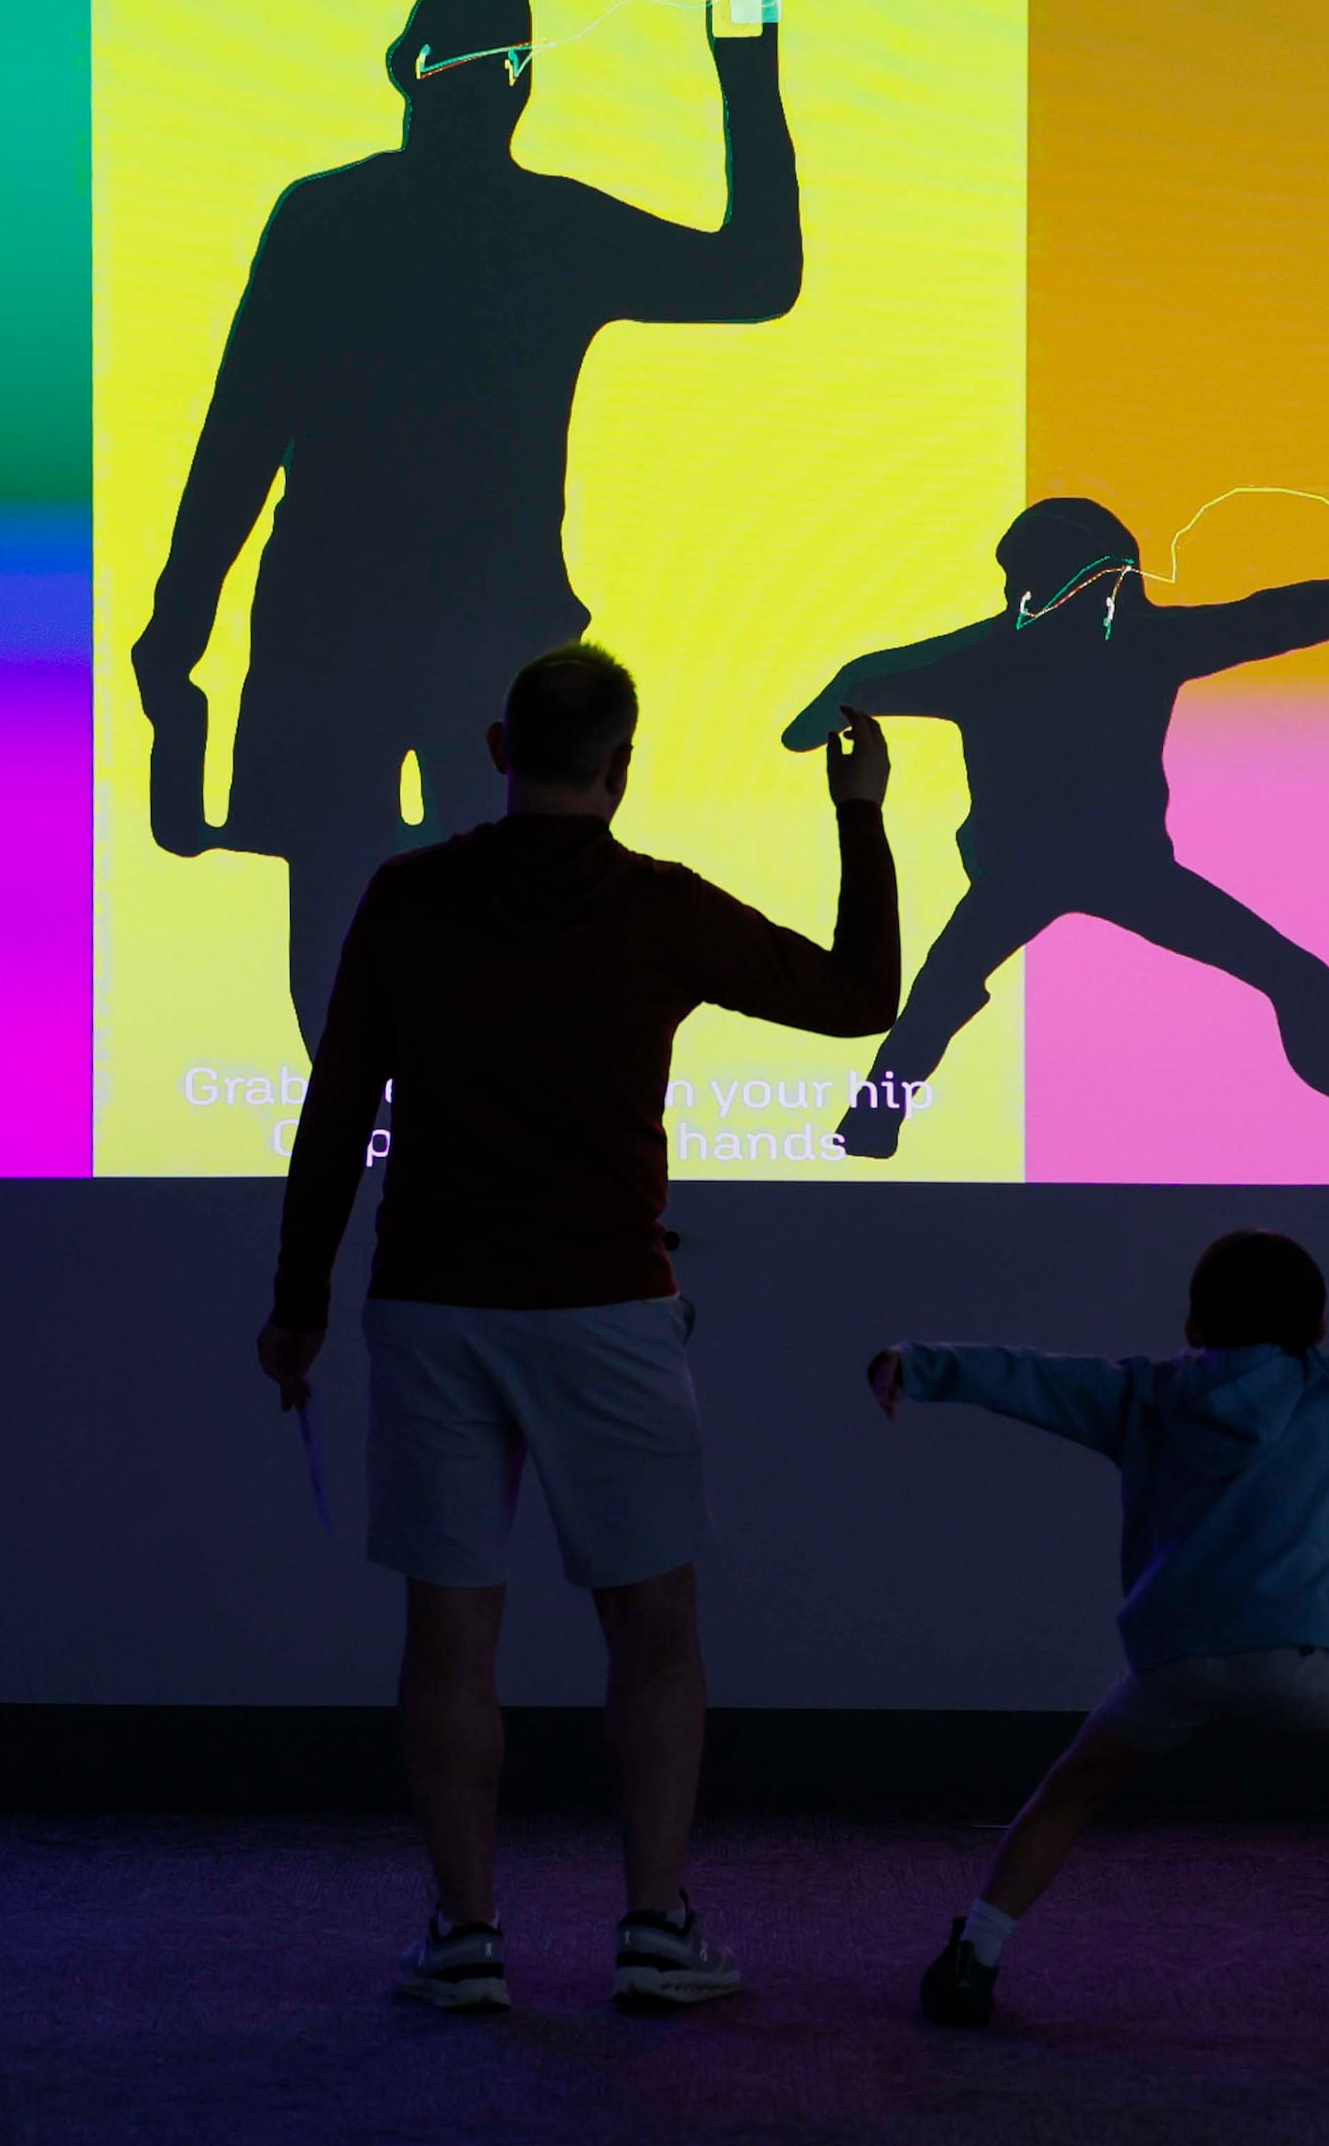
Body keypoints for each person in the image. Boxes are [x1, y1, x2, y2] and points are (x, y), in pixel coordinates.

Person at [260, 645, 894, 2011]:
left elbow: (333, 1118)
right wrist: (860, 816)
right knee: (653, 1625)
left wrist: (296, 1303)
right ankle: (656, 1928)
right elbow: (860, 998)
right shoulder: (654, 908)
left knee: (450, 1633)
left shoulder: (409, 897)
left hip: (430, 1301)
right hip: (609, 1302)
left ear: (497, 745)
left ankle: (467, 1936)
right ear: (624, 763)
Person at [134, 0, 803, 1045]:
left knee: (369, 944)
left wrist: (180, 624)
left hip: (387, 640)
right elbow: (239, 435)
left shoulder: (336, 218)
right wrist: (746, 46)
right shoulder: (522, 227)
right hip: (428, 643)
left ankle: (401, 1173)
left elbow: (239, 439)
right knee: (414, 939)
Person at [868, 1210, 1329, 2035]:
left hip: (1172, 1664)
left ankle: (975, 1959)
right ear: (1321, 1327)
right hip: (1301, 1658)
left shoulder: (1142, 1396)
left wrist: (915, 1366)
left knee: (1071, 1791)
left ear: (1191, 1325)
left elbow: (1025, 1377)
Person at [782, 496, 1329, 1158]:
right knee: (1298, 977)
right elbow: (1288, 615)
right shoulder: (1130, 643)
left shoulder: (1000, 654)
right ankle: (868, 1125)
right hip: (1102, 870)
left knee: (942, 991)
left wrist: (817, 725)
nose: (1015, 593)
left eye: (1022, 579)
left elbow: (861, 678)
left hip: (1056, 871)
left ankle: (868, 1126)